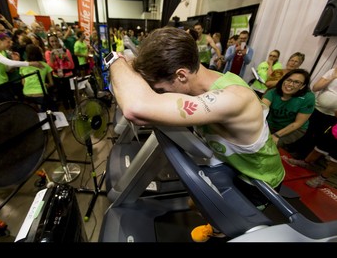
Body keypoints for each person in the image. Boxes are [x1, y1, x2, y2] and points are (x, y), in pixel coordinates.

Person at [109, 26, 284, 242]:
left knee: (227, 228)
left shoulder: (234, 98)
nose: (160, 95)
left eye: (161, 90)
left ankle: (219, 231)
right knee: (197, 204)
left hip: (257, 179)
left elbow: (135, 109)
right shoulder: (200, 81)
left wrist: (114, 60)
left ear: (181, 75)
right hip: (228, 164)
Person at [285, 66, 337, 159]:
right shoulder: (332, 72)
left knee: (318, 135)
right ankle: (293, 148)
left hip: (332, 115)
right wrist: (332, 77)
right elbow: (316, 87)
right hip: (317, 109)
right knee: (305, 129)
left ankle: (303, 156)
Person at [261, 69, 315, 150]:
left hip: (294, 128)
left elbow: (297, 123)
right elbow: (261, 109)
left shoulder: (308, 97)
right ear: (283, 80)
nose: (290, 84)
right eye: (288, 80)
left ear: (302, 86)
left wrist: (276, 135)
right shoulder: (273, 92)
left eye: (297, 82)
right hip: (272, 123)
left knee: (269, 146)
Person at [282, 122, 337, 188]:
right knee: (319, 148)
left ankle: (321, 179)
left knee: (334, 161)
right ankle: (306, 162)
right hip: (334, 131)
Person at [19, 44, 55, 112]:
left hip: (27, 93)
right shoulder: (45, 65)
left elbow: (23, 83)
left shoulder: (23, 65)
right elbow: (51, 83)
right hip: (40, 93)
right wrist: (47, 85)